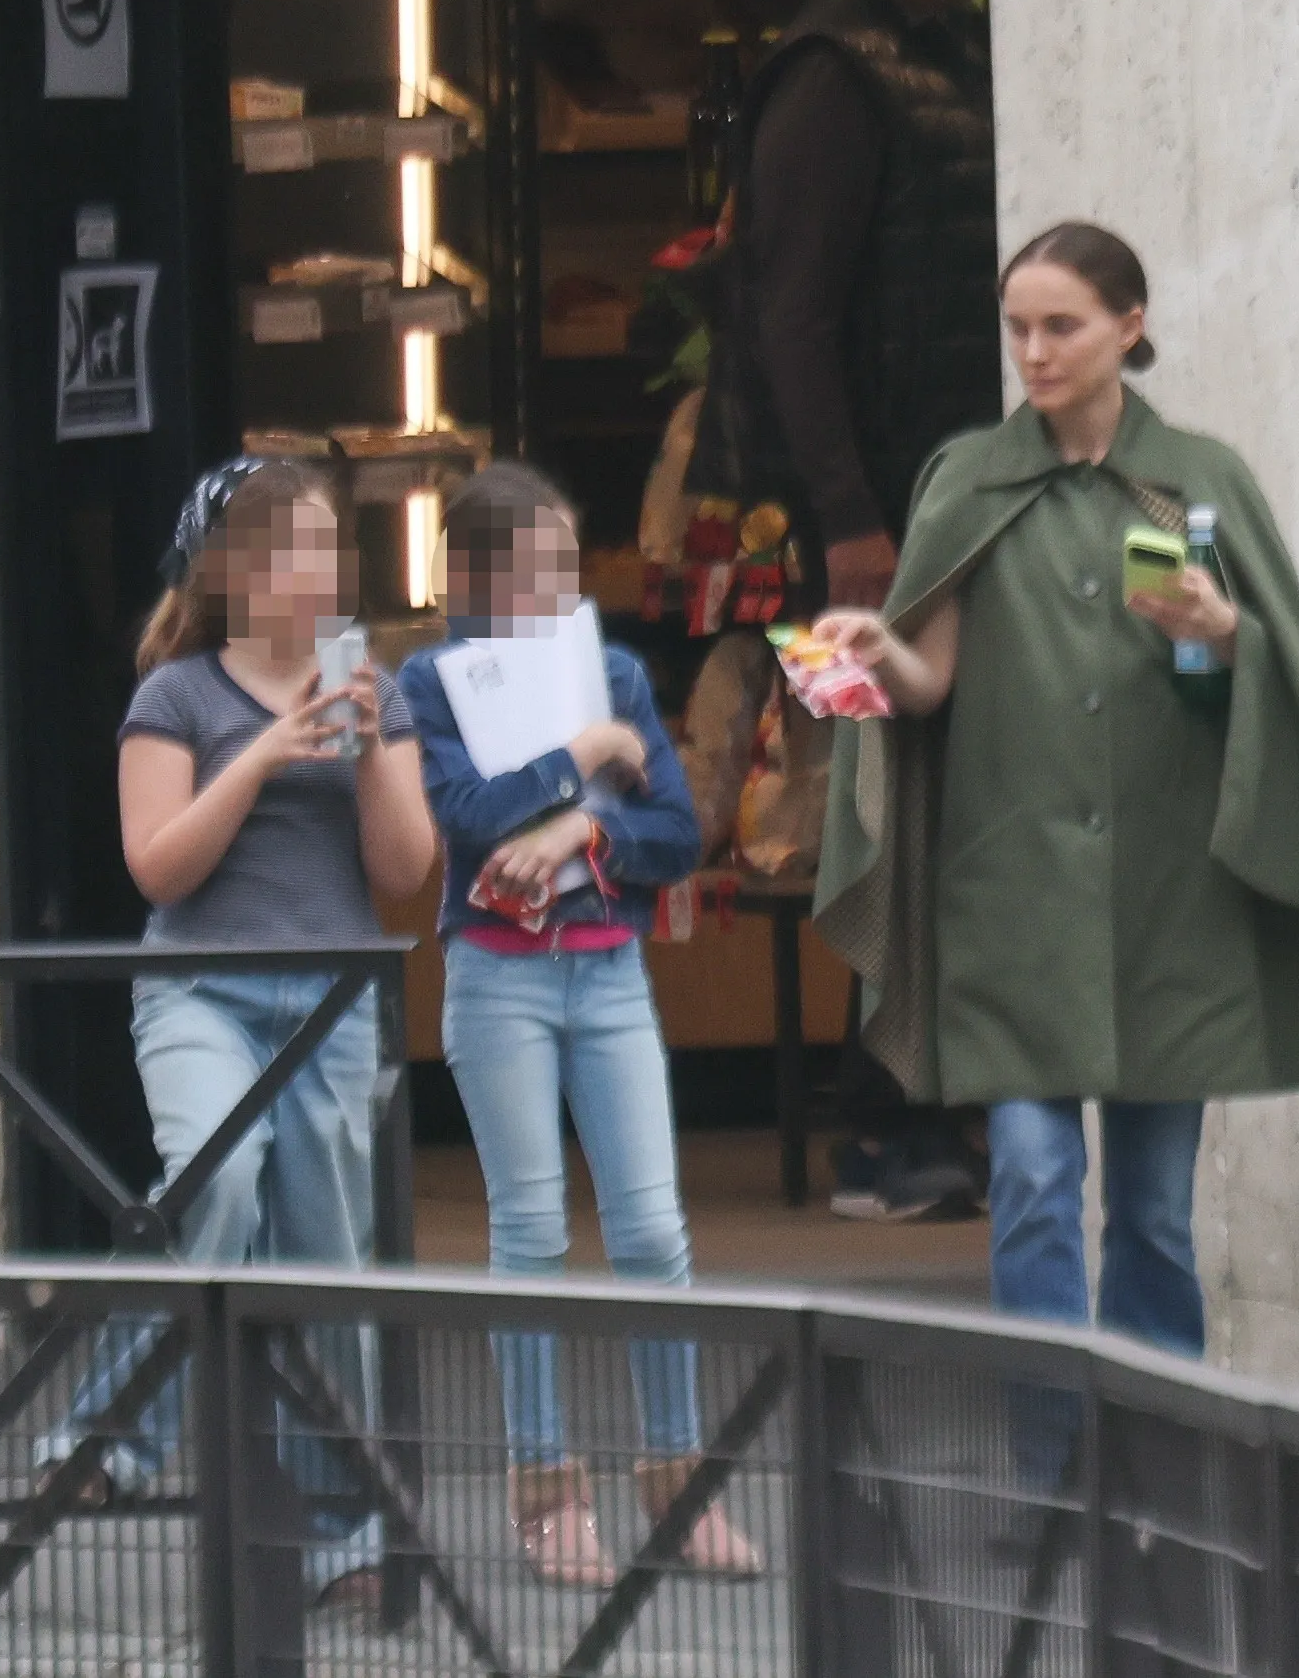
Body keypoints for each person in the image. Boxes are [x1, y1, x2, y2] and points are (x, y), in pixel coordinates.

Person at [811, 224, 1299, 1393]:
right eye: (1017, 329)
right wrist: (875, 646)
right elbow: (930, 680)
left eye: (1060, 327)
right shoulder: (967, 480)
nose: (1032, 353)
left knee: (1150, 1217)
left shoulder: (1202, 479)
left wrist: (1227, 634)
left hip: (1167, 907)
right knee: (1031, 1182)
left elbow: (1297, 682)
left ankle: (1154, 1480)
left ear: (1128, 328)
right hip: (1010, 899)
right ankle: (1056, 1486)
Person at [37, 456, 438, 1611]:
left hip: (332, 997)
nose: (321, 573)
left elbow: (405, 876)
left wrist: (365, 752)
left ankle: (340, 1532)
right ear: (236, 571)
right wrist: (263, 755)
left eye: (331, 549)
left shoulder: (375, 683)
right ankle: (106, 1440)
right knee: (217, 1179)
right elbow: (156, 865)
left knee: (322, 1248)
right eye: (295, 550)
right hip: (201, 992)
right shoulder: (177, 696)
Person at [687, 0, 997, 1222]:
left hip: (937, 514)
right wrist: (845, 518)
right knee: (876, 806)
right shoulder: (826, 80)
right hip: (865, 539)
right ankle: (884, 1121)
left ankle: (937, 1103)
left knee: (949, 805)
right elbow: (792, 320)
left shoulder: (946, 54)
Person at [400, 463, 760, 1585]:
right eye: (542, 568)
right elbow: (459, 819)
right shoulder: (430, 680)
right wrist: (582, 760)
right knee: (532, 1234)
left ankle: (678, 1484)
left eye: (567, 565)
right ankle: (547, 1491)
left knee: (652, 1231)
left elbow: (673, 831)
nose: (565, 589)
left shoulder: (608, 670)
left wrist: (576, 838)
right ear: (474, 577)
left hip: (607, 972)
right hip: (497, 974)